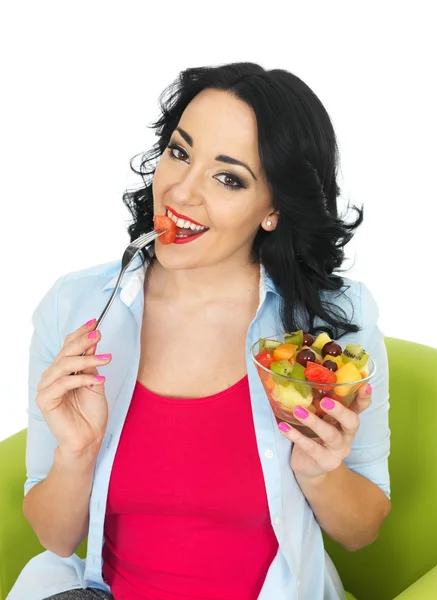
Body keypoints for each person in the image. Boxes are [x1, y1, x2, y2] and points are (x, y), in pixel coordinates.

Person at [8, 62, 391, 600]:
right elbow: (55, 536)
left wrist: (321, 473)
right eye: (180, 153)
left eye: (228, 177)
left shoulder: (330, 326)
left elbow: (363, 531)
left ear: (274, 208)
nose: (181, 193)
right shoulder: (76, 308)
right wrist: (76, 454)